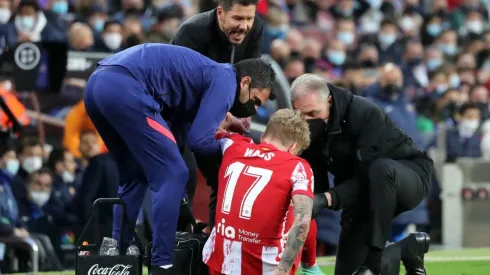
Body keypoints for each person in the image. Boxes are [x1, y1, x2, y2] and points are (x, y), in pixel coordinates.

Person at [84, 43, 275, 275]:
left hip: (97, 85)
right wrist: (235, 147)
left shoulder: (204, 79)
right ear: (245, 82)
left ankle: (115, 254)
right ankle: (162, 264)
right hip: (126, 87)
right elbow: (199, 141)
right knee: (175, 172)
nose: (252, 110)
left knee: (135, 175)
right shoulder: (226, 78)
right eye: (254, 100)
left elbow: (181, 136)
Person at [291, 74, 434, 275]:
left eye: (313, 113)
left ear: (329, 100)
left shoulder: (365, 113)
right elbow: (315, 178)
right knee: (346, 272)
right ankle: (407, 248)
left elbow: (368, 176)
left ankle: (376, 261)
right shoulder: (310, 128)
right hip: (363, 194)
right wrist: (310, 201)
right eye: (300, 114)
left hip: (409, 175)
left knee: (381, 170)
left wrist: (327, 199)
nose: (306, 120)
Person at [171, 0, 265, 225]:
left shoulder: (257, 28)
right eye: (237, 19)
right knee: (184, 176)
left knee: (226, 174)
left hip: (220, 111)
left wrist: (244, 110)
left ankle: (219, 240)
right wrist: (220, 114)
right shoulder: (192, 31)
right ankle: (176, 246)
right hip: (179, 112)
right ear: (220, 13)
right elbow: (180, 86)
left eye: (248, 19)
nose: (244, 26)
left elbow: (251, 75)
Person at [202, 109, 313, 275]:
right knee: (299, 212)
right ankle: (311, 267)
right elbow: (303, 221)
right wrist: (283, 270)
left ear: (262, 137)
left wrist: (232, 120)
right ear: (293, 148)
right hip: (265, 266)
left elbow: (209, 125)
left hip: (220, 261)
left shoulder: (233, 144)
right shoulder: (297, 166)